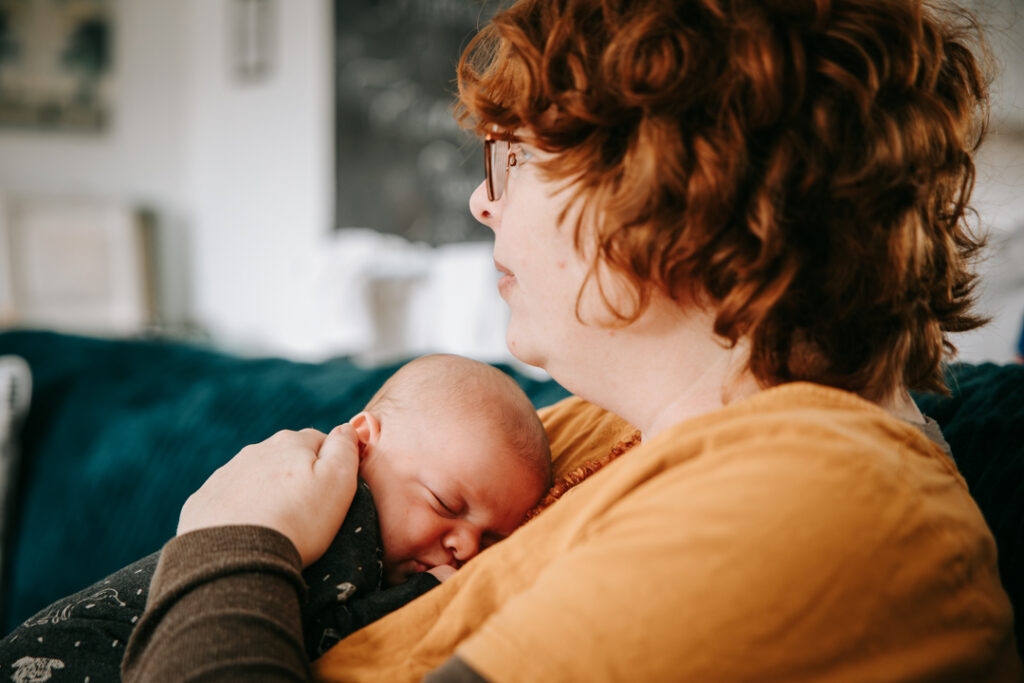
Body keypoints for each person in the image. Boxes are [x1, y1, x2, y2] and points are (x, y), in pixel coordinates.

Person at [122, 0, 1022, 680]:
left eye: (513, 154)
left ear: (667, 179)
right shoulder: (621, 425)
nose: (485, 199)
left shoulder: (820, 505)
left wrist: (230, 543)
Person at [1, 354, 550, 682]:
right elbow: (329, 635)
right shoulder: (345, 512)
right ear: (362, 442)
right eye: (446, 506)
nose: (466, 548)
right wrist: (425, 595)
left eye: (493, 538)